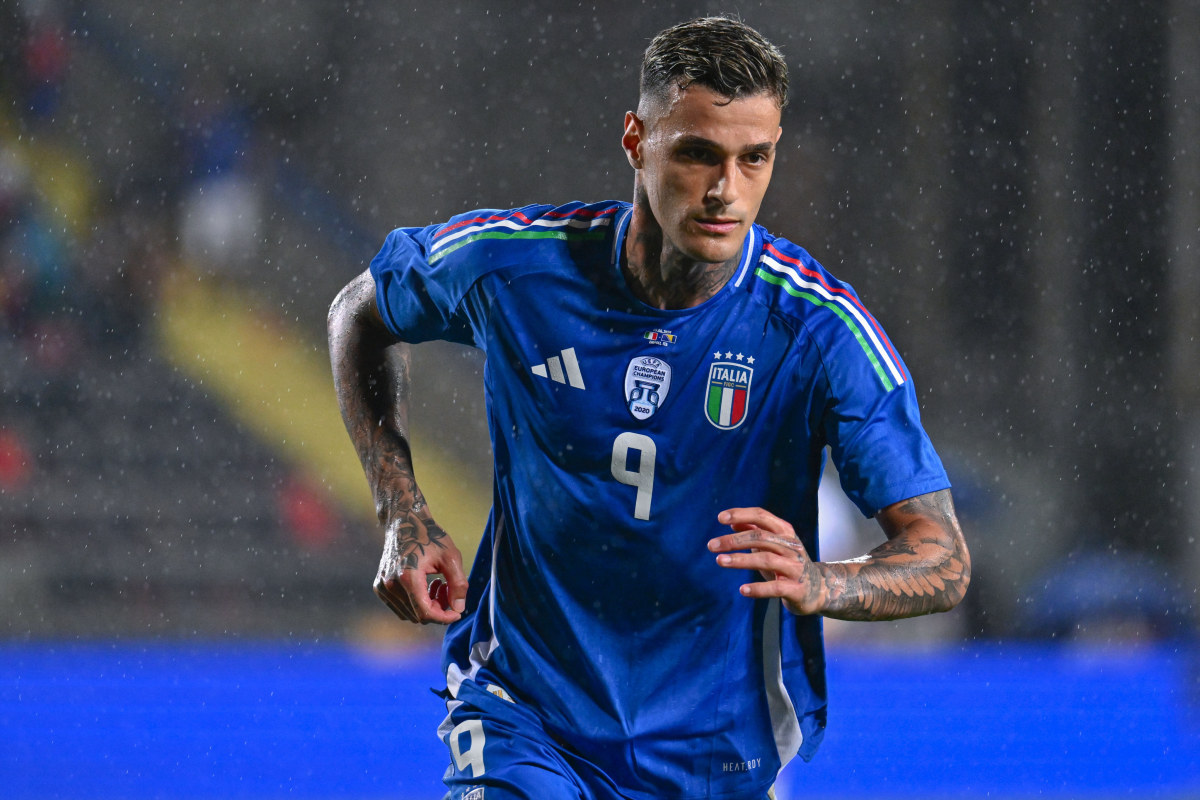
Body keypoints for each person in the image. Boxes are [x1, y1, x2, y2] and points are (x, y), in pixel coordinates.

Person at [328, 16, 970, 800]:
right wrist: (401, 511)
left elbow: (943, 556)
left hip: (715, 751)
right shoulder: (514, 267)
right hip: (528, 714)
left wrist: (823, 583)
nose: (725, 189)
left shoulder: (819, 331)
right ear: (636, 141)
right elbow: (359, 314)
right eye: (698, 153)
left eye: (754, 158)